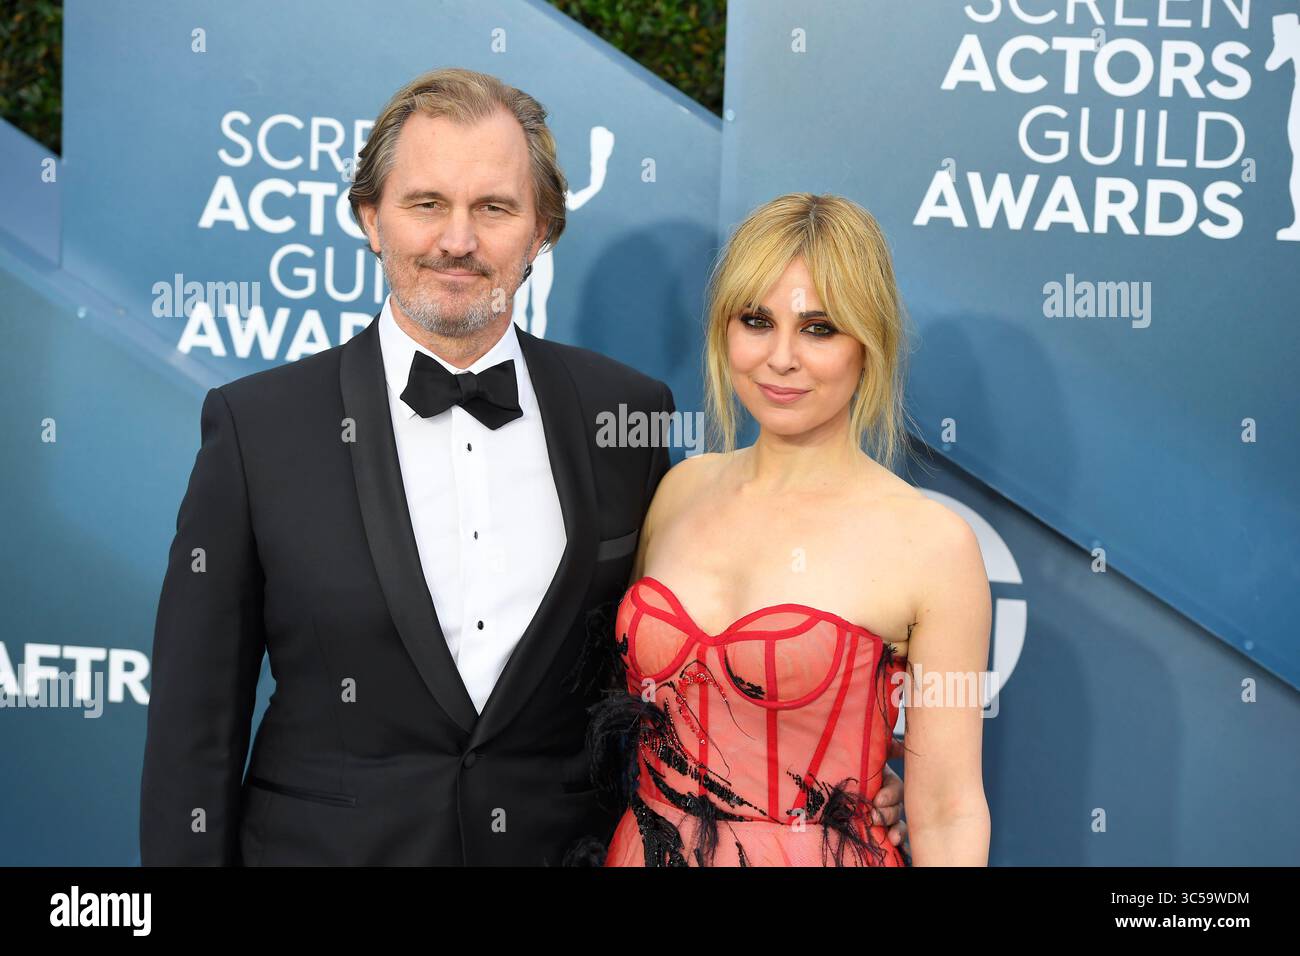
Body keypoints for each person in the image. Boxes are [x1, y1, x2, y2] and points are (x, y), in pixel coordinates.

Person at [138, 68, 911, 865]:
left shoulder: (627, 413)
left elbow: (677, 668)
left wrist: (828, 778)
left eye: (495, 208)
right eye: (426, 203)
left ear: (542, 230)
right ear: (370, 217)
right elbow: (194, 725)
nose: (458, 241)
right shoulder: (259, 427)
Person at [584, 194, 990, 867]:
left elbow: (948, 810)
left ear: (871, 340)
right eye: (756, 321)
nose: (780, 358)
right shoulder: (678, 491)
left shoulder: (930, 543)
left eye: (819, 328)